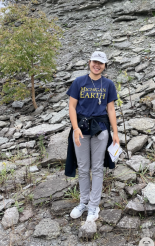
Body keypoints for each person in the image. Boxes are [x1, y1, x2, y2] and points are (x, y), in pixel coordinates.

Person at [65, 51, 120, 222]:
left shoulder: (108, 84)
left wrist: (115, 133)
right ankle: (83, 202)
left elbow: (110, 109)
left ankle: (93, 206)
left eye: (101, 63)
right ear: (89, 62)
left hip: (101, 129)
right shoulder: (79, 82)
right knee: (82, 167)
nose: (97, 65)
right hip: (81, 128)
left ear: (105, 66)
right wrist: (75, 128)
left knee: (96, 168)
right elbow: (72, 107)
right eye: (95, 62)